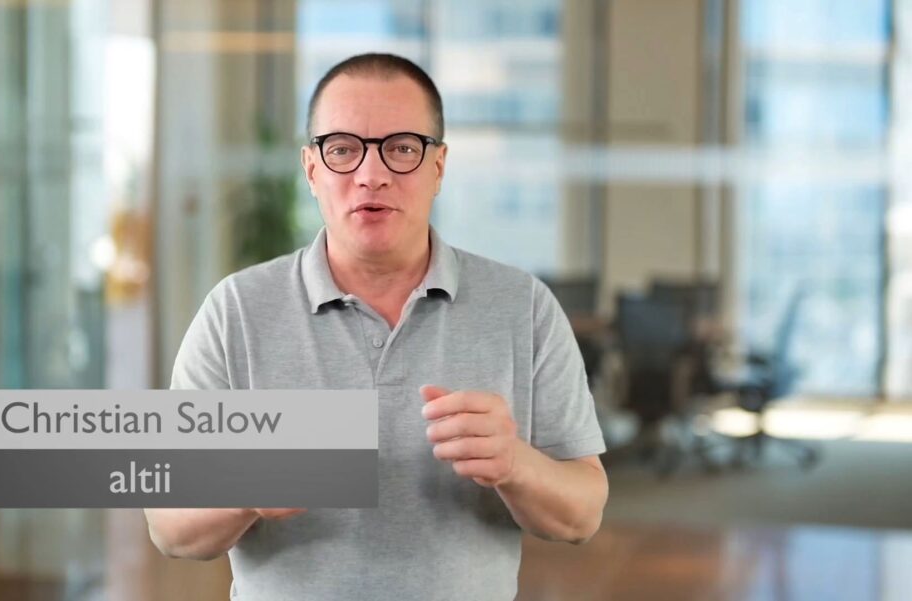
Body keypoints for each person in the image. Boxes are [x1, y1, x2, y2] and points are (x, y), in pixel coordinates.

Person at [145, 52, 608, 601]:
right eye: (342, 149)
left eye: (402, 148)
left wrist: (516, 464)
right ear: (311, 169)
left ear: (438, 166)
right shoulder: (236, 311)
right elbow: (169, 526)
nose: (372, 174)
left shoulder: (523, 307)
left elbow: (583, 514)